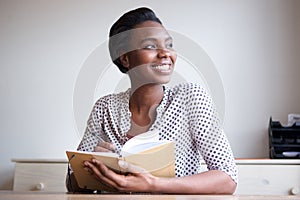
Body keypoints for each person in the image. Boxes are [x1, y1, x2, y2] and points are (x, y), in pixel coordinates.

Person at [67, 7, 238, 194]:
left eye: (169, 45)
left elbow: (227, 178)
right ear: (125, 58)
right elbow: (73, 183)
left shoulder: (191, 99)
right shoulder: (105, 108)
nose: (166, 53)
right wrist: (91, 166)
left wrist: (152, 184)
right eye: (150, 46)